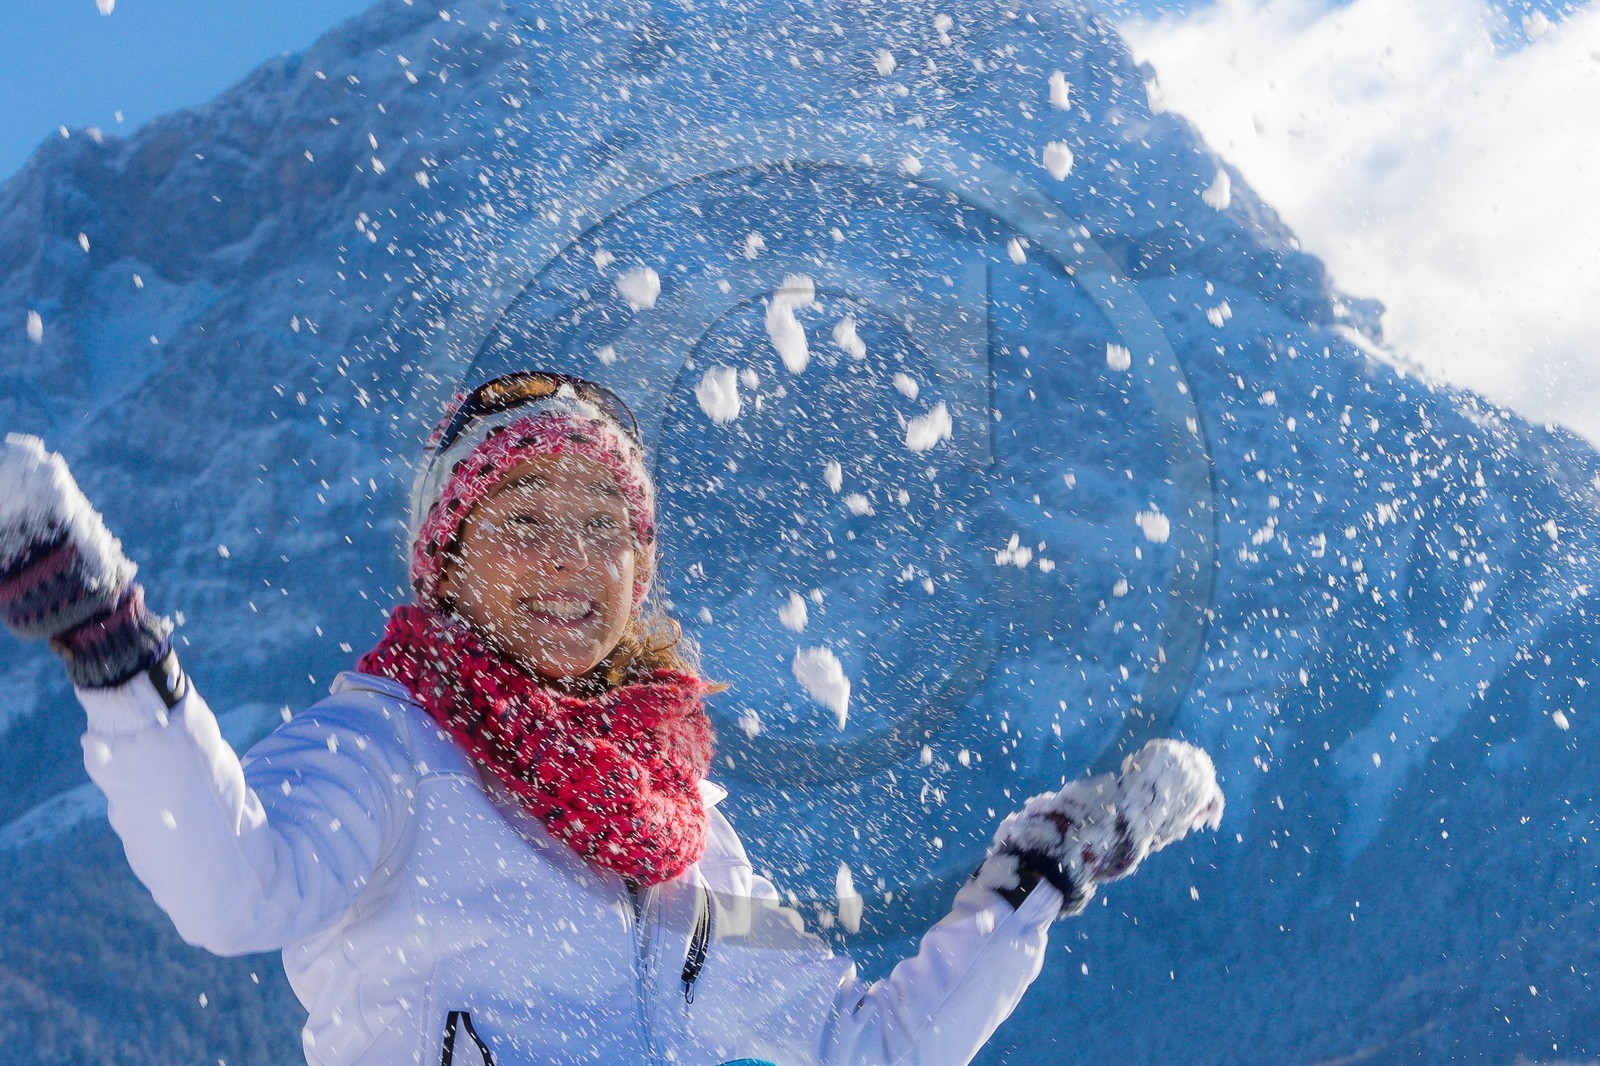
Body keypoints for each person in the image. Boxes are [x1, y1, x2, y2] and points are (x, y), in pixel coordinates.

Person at [0, 371, 1224, 1066]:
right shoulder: (387, 747)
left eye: (606, 528)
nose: (571, 560)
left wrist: (1042, 875)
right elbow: (231, 889)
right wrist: (116, 652)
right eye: (525, 520)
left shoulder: (678, 833)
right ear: (445, 559)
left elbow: (871, 1048)